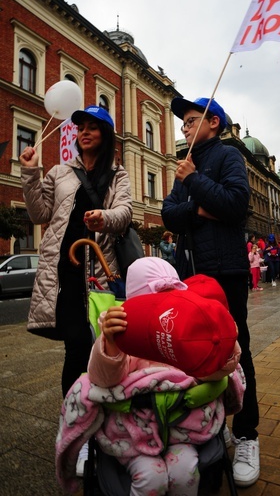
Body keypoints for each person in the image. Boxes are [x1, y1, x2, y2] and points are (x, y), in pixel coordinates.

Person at [56, 257, 244, 495]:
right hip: (136, 434)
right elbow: (103, 380)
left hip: (182, 427)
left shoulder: (184, 329)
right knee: (150, 477)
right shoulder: (122, 328)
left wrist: (225, 347)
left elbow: (211, 371)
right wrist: (110, 344)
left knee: (185, 471)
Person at [161, 96, 260, 487]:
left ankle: (248, 434)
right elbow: (169, 215)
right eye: (182, 122)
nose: (184, 127)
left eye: (190, 120)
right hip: (189, 272)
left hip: (226, 271)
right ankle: (207, 431)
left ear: (213, 122)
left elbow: (236, 205)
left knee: (236, 350)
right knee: (196, 354)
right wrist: (200, 207)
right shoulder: (184, 166)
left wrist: (194, 184)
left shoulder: (228, 156)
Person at [19, 105, 133, 399]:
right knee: (75, 347)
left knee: (102, 345)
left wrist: (104, 218)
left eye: (92, 127)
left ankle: (103, 418)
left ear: (105, 134)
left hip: (101, 274)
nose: (84, 132)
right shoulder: (60, 171)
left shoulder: (118, 175)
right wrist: (30, 173)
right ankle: (76, 421)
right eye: (81, 127)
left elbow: (124, 213)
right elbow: (39, 214)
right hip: (66, 272)